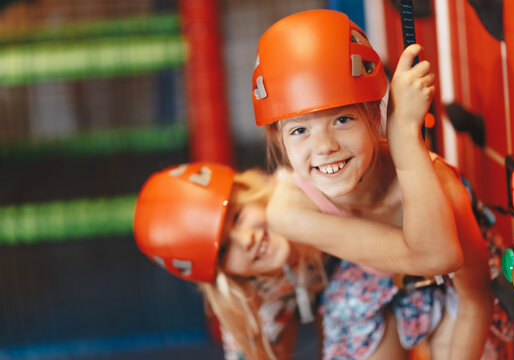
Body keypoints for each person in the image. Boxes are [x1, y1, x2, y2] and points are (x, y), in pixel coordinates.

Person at [251, 9, 495, 360]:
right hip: (375, 277)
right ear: (279, 139)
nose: (323, 147)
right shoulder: (289, 208)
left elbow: (455, 275)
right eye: (300, 130)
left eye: (343, 119)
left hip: (456, 284)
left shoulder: (441, 185)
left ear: (374, 116)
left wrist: (405, 137)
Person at [132, 162, 326, 360]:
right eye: (224, 250)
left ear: (249, 191)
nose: (246, 240)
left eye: (237, 216)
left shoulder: (307, 188)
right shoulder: (244, 296)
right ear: (221, 272)